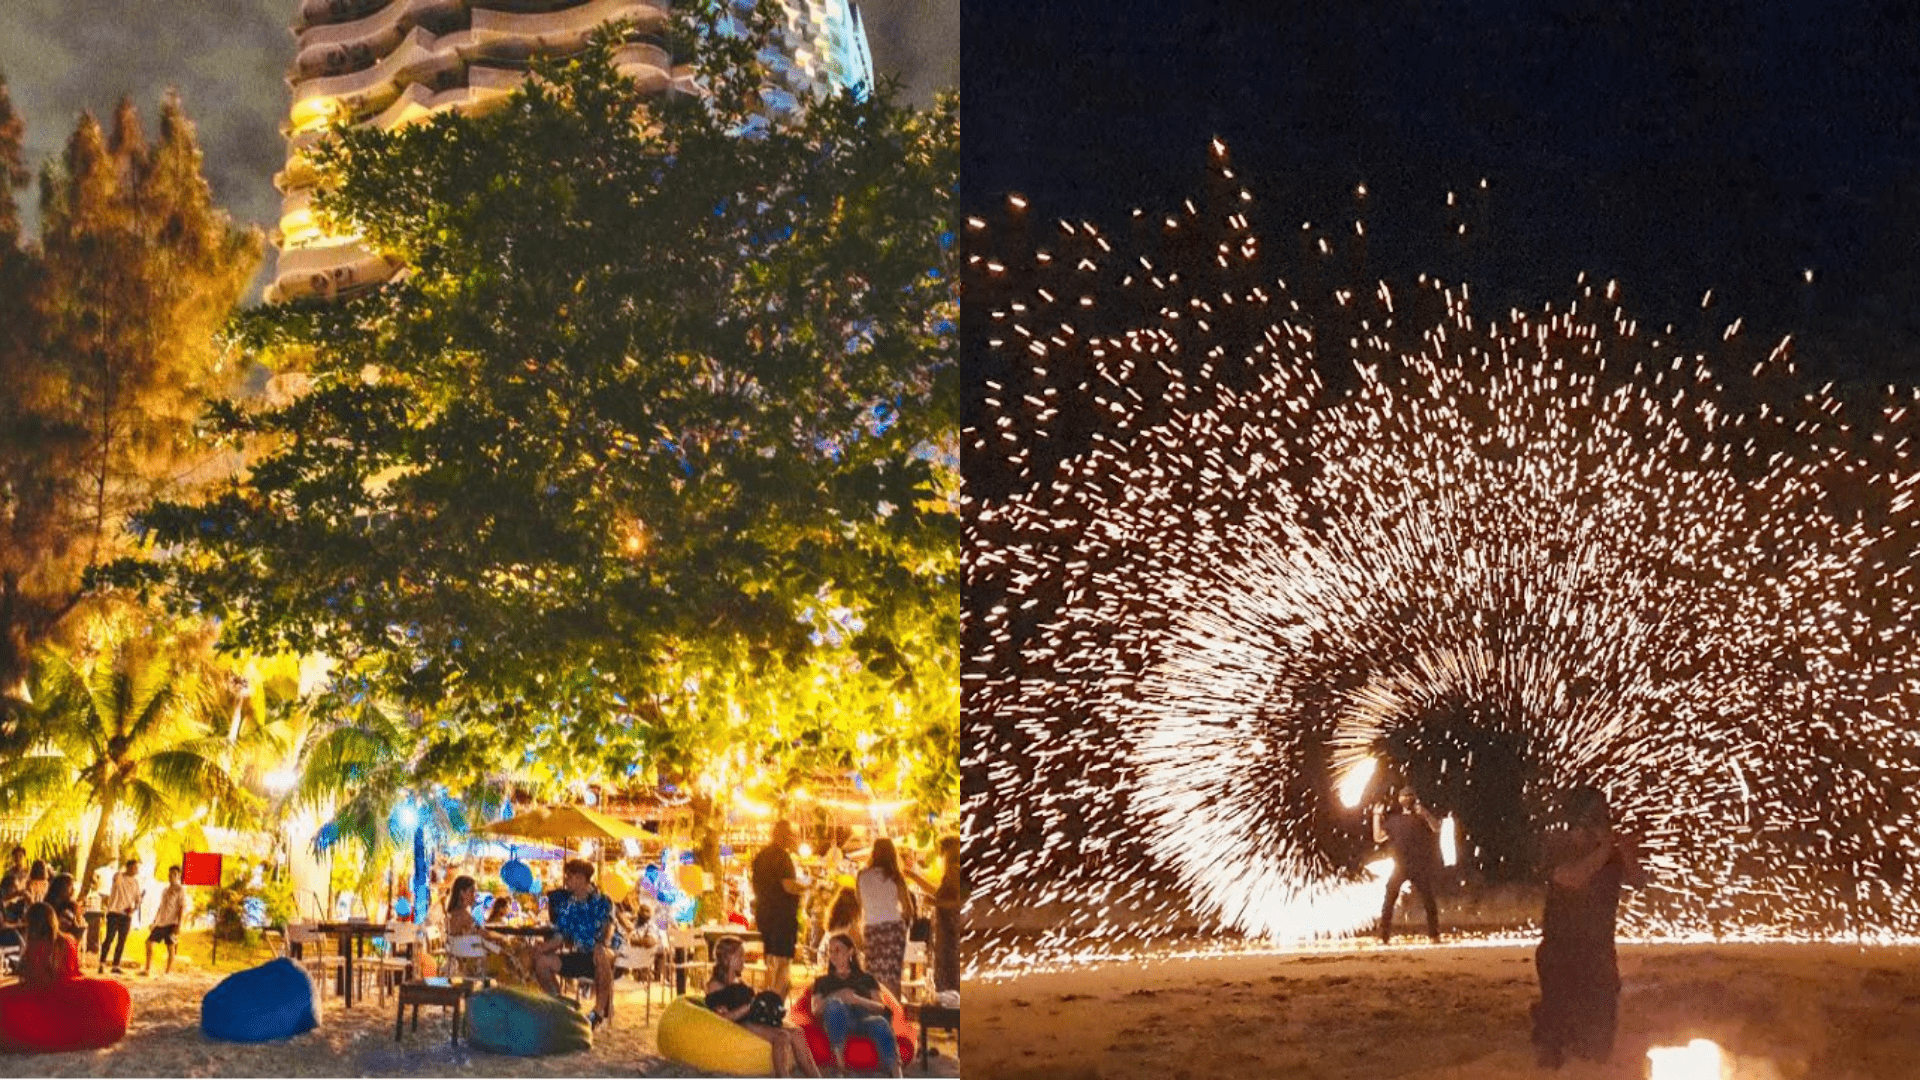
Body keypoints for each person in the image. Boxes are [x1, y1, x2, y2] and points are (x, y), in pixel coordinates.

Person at [1531, 786, 1645, 1069]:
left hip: (1598, 951)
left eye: (1602, 816)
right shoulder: (1560, 844)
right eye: (1592, 817)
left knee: (1598, 1034)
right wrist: (1606, 848)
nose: (1599, 823)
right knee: (1558, 1031)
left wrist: (1627, 851)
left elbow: (1638, 880)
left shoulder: (1609, 853)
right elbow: (1570, 879)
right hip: (1562, 950)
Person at [706, 935, 821, 1078]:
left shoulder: (738, 980)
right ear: (727, 958)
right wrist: (751, 1005)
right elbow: (723, 1018)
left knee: (798, 1032)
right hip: (741, 1023)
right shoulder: (715, 985)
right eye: (740, 956)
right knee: (782, 1036)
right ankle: (783, 1076)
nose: (744, 960)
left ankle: (816, 1077)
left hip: (754, 1017)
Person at [531, 858, 620, 1026]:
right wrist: (541, 949)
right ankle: (560, 1006)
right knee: (542, 962)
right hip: (580, 954)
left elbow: (610, 928)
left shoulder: (603, 901)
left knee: (601, 955)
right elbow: (560, 937)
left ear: (580, 878)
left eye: (569, 877)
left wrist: (601, 944)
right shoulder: (568, 905)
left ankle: (598, 1013)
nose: (566, 880)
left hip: (605, 954)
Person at [807, 933, 902, 1078]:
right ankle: (841, 1068)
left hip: (864, 1019)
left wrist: (857, 999)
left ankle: (896, 1072)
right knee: (833, 1005)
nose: (833, 955)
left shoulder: (867, 978)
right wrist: (837, 995)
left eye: (838, 950)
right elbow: (816, 1010)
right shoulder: (822, 981)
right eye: (830, 951)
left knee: (881, 1022)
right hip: (838, 1020)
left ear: (850, 952)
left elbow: (881, 1007)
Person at [1374, 785, 1443, 944]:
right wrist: (1376, 816)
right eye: (1404, 796)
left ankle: (1434, 935)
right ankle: (1384, 937)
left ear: (1415, 798)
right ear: (1399, 799)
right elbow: (1378, 837)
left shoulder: (1421, 817)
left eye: (1410, 795)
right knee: (1389, 899)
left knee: (1428, 900)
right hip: (1400, 866)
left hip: (1419, 865)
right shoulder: (1394, 820)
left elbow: (1437, 827)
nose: (1407, 799)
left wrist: (1425, 813)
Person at [751, 820, 805, 997]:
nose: (793, 840)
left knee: (771, 961)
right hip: (782, 917)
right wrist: (805, 888)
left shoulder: (760, 857)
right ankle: (775, 1002)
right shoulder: (782, 857)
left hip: (764, 914)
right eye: (791, 835)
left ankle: (766, 998)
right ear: (784, 836)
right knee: (782, 962)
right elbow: (788, 886)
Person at [856, 838, 914, 998]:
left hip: (871, 930)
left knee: (873, 977)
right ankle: (895, 1017)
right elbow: (909, 909)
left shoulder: (862, 875)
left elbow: (859, 904)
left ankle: (874, 1013)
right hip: (893, 930)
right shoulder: (896, 877)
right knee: (893, 978)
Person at [446, 875, 525, 982]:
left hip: (469, 959)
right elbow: (483, 934)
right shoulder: (464, 914)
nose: (475, 896)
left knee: (510, 952)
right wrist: (503, 938)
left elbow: (478, 935)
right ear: (462, 893)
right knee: (512, 957)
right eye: (472, 891)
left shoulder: (454, 913)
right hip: (476, 962)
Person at [926, 836, 966, 995]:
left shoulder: (953, 871)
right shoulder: (954, 871)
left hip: (949, 930)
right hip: (950, 929)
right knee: (950, 970)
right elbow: (938, 893)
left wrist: (936, 903)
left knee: (948, 970)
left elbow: (958, 902)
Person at [18, 902, 82, 987]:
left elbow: (32, 979)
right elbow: (75, 972)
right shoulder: (69, 940)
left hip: (44, 995)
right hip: (70, 992)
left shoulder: (34, 946)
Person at [99, 857, 144, 974]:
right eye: (134, 867)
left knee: (121, 940)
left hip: (126, 915)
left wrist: (133, 909)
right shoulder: (118, 876)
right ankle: (102, 962)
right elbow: (117, 875)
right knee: (109, 938)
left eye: (137, 868)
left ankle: (116, 965)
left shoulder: (136, 883)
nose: (136, 870)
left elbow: (138, 900)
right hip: (114, 912)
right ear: (128, 867)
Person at [142, 865, 187, 976]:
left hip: (172, 922)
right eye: (170, 874)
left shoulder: (180, 889)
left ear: (178, 876)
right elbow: (161, 907)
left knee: (170, 947)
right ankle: (147, 969)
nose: (171, 876)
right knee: (148, 943)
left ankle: (167, 972)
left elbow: (181, 907)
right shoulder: (165, 890)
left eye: (174, 874)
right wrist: (154, 921)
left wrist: (179, 924)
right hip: (161, 922)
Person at [814, 887, 862, 969]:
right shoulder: (850, 925)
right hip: (839, 964)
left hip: (824, 959)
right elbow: (861, 944)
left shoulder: (831, 921)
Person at [43, 872, 86, 938]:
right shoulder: (70, 909)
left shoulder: (46, 905)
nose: (74, 890)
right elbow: (78, 930)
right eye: (71, 886)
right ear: (65, 889)